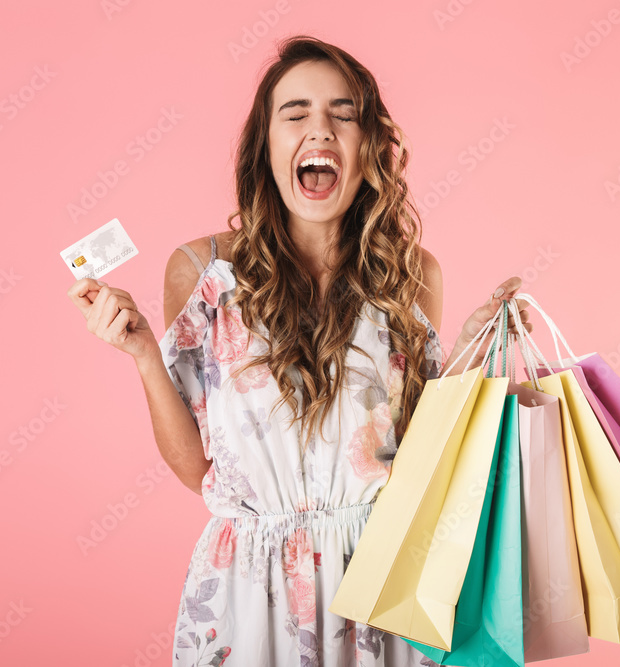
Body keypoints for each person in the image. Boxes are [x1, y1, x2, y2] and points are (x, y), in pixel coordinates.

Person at [67, 34, 532, 667]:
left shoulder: (411, 275)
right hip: (246, 593)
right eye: (296, 114)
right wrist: (146, 352)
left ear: (370, 151)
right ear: (267, 147)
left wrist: (472, 366)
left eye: (345, 115)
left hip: (383, 586)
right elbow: (199, 470)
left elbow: (420, 459)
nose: (321, 130)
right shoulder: (202, 273)